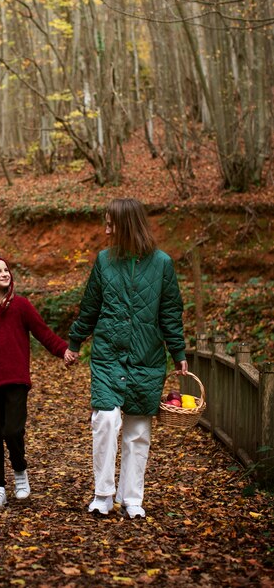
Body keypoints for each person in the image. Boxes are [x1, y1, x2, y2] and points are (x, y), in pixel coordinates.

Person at [65, 198, 188, 519]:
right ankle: (103, 494)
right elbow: (90, 305)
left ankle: (132, 497)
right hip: (108, 356)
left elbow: (170, 312)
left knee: (138, 431)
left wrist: (178, 353)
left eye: (110, 224)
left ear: (127, 225)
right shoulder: (104, 261)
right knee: (105, 420)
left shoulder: (162, 264)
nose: (105, 230)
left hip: (147, 358)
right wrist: (75, 341)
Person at [0, 254, 74, 508]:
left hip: (16, 381)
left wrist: (63, 350)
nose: (5, 274)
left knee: (12, 430)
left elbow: (43, 332)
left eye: (6, 269)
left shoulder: (21, 306)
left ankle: (20, 471)